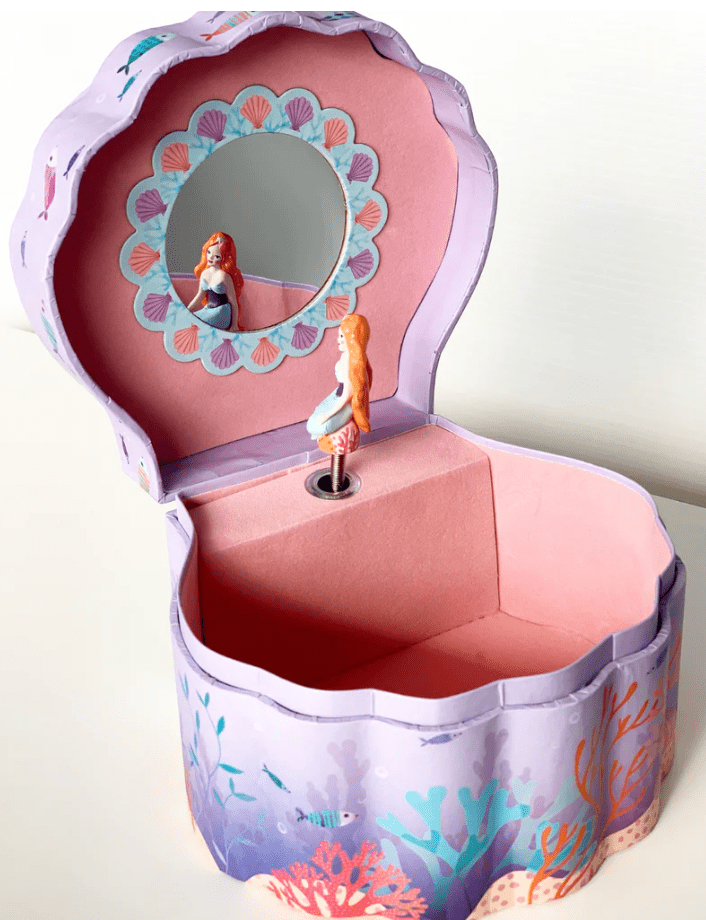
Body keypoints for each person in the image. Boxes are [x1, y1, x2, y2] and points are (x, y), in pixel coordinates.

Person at [307, 313, 372, 455]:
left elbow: (345, 397)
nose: (338, 340)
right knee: (314, 420)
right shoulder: (348, 356)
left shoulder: (352, 364)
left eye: (342, 336)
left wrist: (327, 415)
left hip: (344, 402)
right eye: (339, 335)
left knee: (320, 425)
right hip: (337, 395)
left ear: (352, 338)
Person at [186, 232, 244, 331]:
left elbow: (233, 303)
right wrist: (187, 310)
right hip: (208, 309)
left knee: (198, 324)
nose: (210, 258)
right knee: (188, 319)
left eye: (217, 256)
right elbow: (200, 295)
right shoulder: (204, 273)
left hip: (222, 312)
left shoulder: (224, 276)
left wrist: (234, 325)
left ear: (223, 258)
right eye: (209, 252)